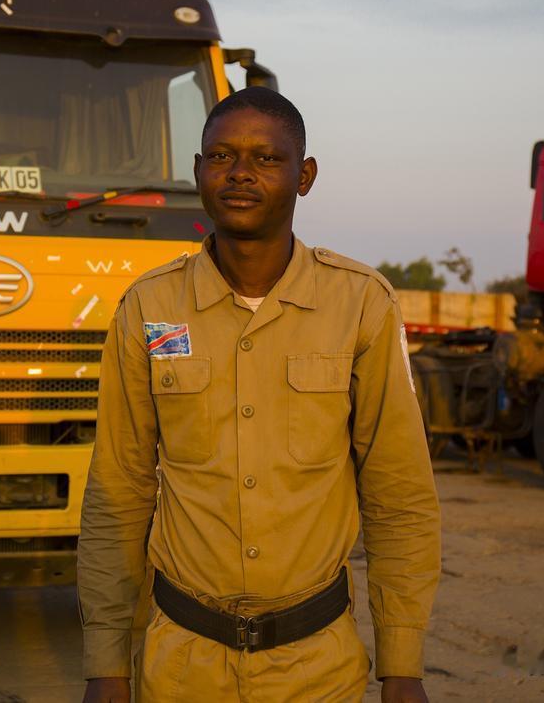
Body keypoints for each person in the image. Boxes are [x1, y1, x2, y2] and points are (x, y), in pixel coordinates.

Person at [77, 87, 441, 702]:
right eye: (220, 157)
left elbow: (398, 490)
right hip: (180, 668)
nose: (240, 174)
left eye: (266, 159)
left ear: (305, 177)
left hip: (316, 669)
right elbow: (119, 489)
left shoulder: (360, 304)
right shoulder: (150, 307)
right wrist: (106, 666)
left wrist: (402, 667)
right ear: (198, 173)